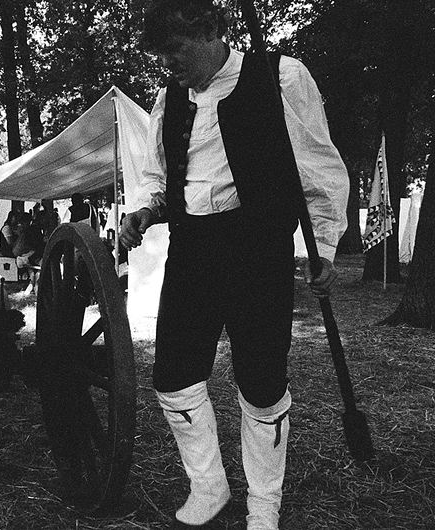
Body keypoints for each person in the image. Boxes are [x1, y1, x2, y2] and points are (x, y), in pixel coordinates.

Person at [119, 2, 349, 529]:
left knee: (262, 382)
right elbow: (162, 176)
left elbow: (319, 167)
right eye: (161, 54)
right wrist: (147, 211)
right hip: (192, 249)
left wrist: (324, 247)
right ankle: (209, 486)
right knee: (174, 376)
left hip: (258, 248)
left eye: (175, 49)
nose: (168, 63)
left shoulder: (279, 78)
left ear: (211, 31)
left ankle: (264, 505)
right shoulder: (169, 99)